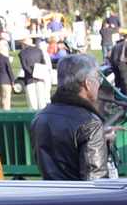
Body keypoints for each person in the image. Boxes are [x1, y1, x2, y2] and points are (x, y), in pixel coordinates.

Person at [29, 53, 111, 181]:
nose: (99, 84)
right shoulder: (90, 123)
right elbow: (95, 181)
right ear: (87, 83)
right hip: (79, 198)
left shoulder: (40, 117)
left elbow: (63, 151)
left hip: (51, 196)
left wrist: (99, 138)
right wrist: (97, 137)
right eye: (97, 79)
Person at [18, 36, 50, 110]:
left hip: (29, 78)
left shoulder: (22, 53)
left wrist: (33, 73)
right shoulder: (39, 51)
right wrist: (38, 73)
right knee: (41, 100)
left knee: (32, 101)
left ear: (24, 45)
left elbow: (24, 66)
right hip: (40, 77)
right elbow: (43, 63)